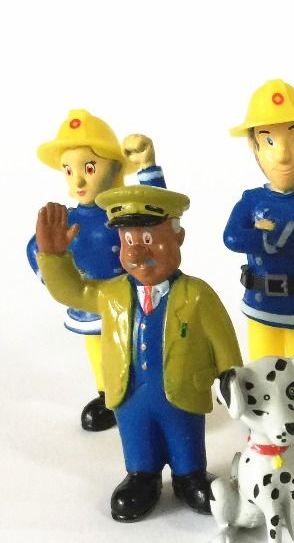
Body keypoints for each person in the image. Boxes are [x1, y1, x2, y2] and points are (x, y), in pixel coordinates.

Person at [34, 187, 242, 521]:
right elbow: (73, 291)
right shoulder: (112, 294)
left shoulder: (196, 294)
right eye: (128, 241)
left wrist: (233, 381)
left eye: (148, 240)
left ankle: (189, 476)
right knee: (137, 438)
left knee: (184, 437)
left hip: (182, 393)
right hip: (129, 394)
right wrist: (54, 258)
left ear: (178, 237)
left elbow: (224, 341)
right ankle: (142, 476)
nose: (137, 252)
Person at [28, 110, 165, 432]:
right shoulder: (68, 219)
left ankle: (146, 391)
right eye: (68, 170)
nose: (78, 180)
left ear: (115, 167)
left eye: (89, 168)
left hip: (130, 297)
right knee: (98, 350)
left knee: (138, 347)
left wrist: (148, 168)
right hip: (89, 302)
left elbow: (158, 212)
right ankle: (108, 395)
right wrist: (53, 273)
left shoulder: (124, 211)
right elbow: (35, 248)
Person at [223, 80, 294, 410]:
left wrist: (269, 234)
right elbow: (232, 237)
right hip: (261, 305)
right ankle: (267, 415)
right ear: (255, 147)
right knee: (262, 372)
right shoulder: (251, 200)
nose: (283, 154)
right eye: (270, 141)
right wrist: (293, 228)